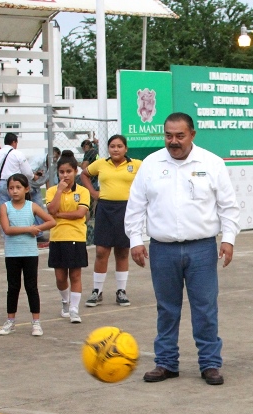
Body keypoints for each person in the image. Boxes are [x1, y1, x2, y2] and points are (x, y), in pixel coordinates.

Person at [125, 112, 240, 386]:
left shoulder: (212, 163)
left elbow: (229, 206)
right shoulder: (151, 164)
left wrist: (229, 239)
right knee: (166, 309)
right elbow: (136, 207)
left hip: (202, 249)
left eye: (179, 135)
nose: (173, 141)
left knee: (205, 308)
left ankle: (210, 363)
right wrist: (135, 240)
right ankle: (166, 363)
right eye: (168, 135)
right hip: (162, 250)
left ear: (192, 135)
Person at [80, 134, 141, 308]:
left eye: (120, 146)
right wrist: (92, 192)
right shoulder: (100, 164)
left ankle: (121, 291)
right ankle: (97, 291)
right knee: (101, 251)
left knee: (122, 251)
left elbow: (148, 179)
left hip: (126, 210)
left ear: (126, 148)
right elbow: (84, 174)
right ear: (108, 148)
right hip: (105, 209)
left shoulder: (136, 164)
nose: (116, 149)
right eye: (112, 146)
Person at [0, 173, 55, 336]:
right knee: (13, 287)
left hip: (29, 253)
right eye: (11, 188)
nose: (14, 191)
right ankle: (11, 320)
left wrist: (37, 229)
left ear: (26, 189)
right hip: (12, 254)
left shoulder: (32, 206)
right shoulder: (5, 207)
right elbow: (7, 229)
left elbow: (51, 221)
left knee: (31, 287)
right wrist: (29, 229)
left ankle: (36, 322)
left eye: (18, 188)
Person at [46, 156, 90, 323]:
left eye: (69, 171)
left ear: (75, 171)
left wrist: (60, 215)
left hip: (76, 237)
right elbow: (51, 209)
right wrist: (59, 190)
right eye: (62, 172)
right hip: (57, 237)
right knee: (60, 276)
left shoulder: (82, 191)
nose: (65, 175)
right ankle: (65, 301)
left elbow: (80, 213)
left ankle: (74, 309)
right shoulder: (52, 191)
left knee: (76, 275)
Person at [0, 132, 34, 205]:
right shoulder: (17, 154)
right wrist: (33, 177)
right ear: (14, 142)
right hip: (15, 183)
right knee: (17, 206)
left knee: (4, 208)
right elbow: (27, 172)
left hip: (1, 183)